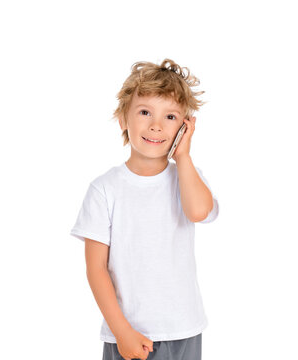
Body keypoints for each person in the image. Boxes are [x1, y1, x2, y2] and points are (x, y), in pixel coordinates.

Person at [70, 58, 219, 360]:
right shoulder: (104, 189)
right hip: (129, 334)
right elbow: (96, 268)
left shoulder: (186, 177)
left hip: (184, 328)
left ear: (185, 127)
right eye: (145, 112)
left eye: (171, 117)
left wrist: (184, 156)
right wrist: (121, 331)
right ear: (123, 119)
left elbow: (199, 212)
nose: (156, 125)